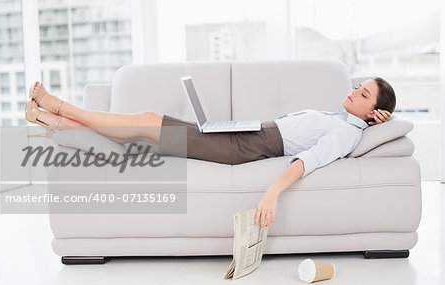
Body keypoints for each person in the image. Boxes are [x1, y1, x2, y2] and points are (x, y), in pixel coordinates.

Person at [24, 77, 395, 228]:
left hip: (244, 147)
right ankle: (50, 120)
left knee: (144, 122)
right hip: (246, 134)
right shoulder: (339, 117)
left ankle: (60, 108)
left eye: (363, 96)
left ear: (373, 113)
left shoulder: (346, 132)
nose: (354, 93)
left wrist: (272, 192)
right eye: (358, 87)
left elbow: (306, 161)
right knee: (139, 132)